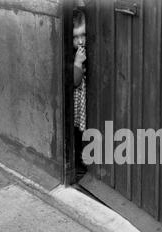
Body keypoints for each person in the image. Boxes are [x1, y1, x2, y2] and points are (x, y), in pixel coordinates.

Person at [73, 9, 87, 173]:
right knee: (80, 132)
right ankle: (81, 159)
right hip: (79, 102)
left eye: (83, 35)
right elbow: (75, 82)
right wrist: (77, 63)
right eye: (75, 37)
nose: (80, 40)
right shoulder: (73, 55)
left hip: (88, 100)